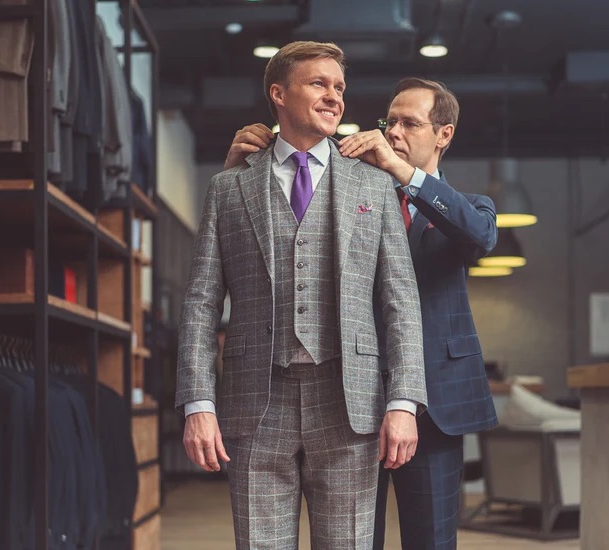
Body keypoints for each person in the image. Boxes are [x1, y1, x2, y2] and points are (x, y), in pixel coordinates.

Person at [225, 77, 498, 549]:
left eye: (409, 123)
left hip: (436, 400)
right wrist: (238, 174)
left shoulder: (470, 206)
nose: (393, 131)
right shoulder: (349, 197)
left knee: (432, 539)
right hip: (351, 398)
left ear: (443, 134)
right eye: (388, 121)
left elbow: (478, 235)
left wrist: (402, 173)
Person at [176, 41, 428, 550]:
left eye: (339, 87)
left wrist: (404, 401)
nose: (334, 96)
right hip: (254, 403)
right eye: (319, 83)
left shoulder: (374, 186)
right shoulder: (228, 188)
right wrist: (196, 403)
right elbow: (202, 302)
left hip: (349, 403)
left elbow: (399, 301)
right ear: (278, 93)